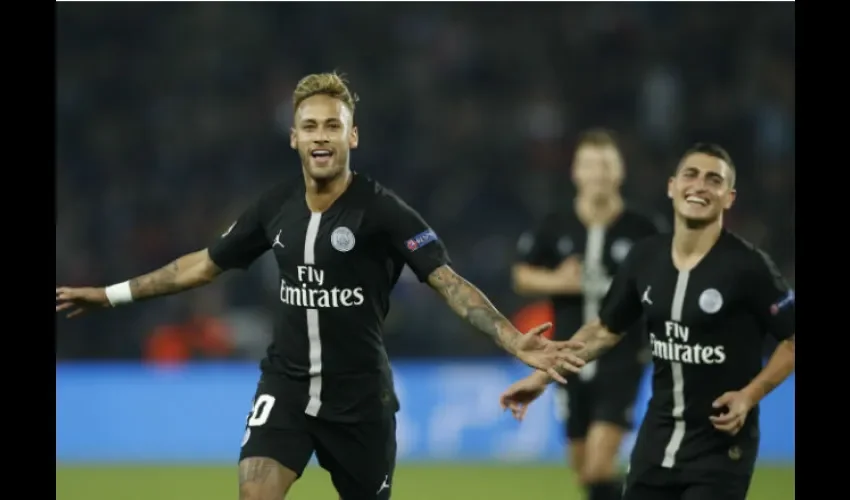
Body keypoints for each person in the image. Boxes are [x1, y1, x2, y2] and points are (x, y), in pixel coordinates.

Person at [55, 72, 585, 500]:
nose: (321, 136)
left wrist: (513, 341)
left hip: (360, 401)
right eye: (309, 126)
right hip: (285, 387)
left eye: (333, 126)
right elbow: (202, 266)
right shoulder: (274, 207)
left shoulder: (384, 212)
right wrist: (109, 294)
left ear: (352, 136)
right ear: (294, 137)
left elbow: (448, 283)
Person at [500, 143, 795, 500]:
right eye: (691, 174)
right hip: (656, 443)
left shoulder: (750, 267)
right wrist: (540, 378)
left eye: (713, 180)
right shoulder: (646, 257)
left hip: (720, 451)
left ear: (728, 197)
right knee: (588, 471)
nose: (699, 186)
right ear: (672, 186)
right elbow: (603, 330)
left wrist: (750, 396)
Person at [512, 128, 665, 500]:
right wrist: (559, 281)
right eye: (590, 165)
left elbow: (664, 283)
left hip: (622, 355)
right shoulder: (555, 225)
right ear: (576, 172)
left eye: (605, 165)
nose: (597, 174)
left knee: (599, 465)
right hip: (565, 356)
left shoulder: (644, 230)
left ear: (619, 173)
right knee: (585, 472)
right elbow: (521, 275)